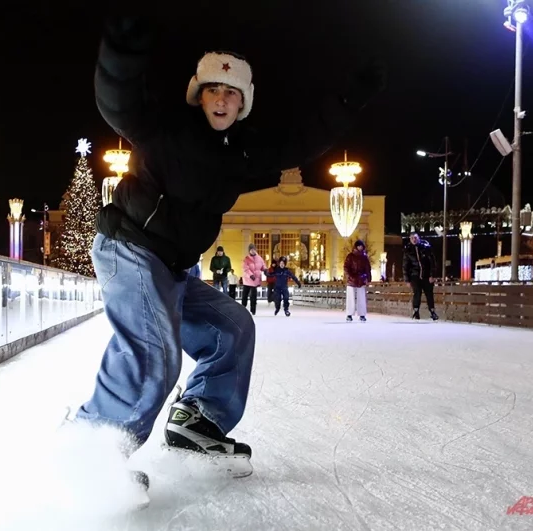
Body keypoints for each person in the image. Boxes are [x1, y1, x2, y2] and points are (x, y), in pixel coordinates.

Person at [78, 12, 386, 481]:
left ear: (243, 102)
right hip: (131, 248)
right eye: (212, 90)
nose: (221, 100)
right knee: (154, 351)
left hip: (174, 267)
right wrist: (121, 51)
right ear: (198, 95)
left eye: (231, 92)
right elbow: (118, 102)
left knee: (233, 327)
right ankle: (93, 447)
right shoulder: (163, 127)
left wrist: (349, 100)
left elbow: (301, 140)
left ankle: (197, 418)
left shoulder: (242, 151)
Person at [403, 233, 439, 321]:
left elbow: (432, 262)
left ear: (418, 238)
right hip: (415, 275)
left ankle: (432, 311)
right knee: (417, 293)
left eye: (415, 238)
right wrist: (407, 280)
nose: (413, 240)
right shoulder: (408, 250)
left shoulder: (426, 247)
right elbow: (405, 265)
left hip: (426, 275)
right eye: (411, 238)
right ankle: (416, 311)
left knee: (429, 294)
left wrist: (432, 275)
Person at [343, 239, 371, 322]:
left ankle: (362, 314)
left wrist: (368, 278)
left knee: (361, 297)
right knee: (350, 297)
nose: (360, 247)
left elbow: (368, 269)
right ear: (356, 247)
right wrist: (350, 276)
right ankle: (349, 314)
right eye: (359, 246)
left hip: (361, 279)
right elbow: (346, 267)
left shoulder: (364, 257)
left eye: (361, 246)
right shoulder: (350, 256)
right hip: (351, 280)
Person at [241, 244, 266, 315]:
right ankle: (243, 308)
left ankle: (253, 309)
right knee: (245, 295)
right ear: (249, 251)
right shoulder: (246, 259)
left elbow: (263, 265)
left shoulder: (259, 258)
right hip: (247, 280)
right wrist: (250, 275)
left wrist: (265, 270)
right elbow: (245, 268)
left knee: (253, 296)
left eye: (254, 249)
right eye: (251, 250)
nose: (253, 251)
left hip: (255, 280)